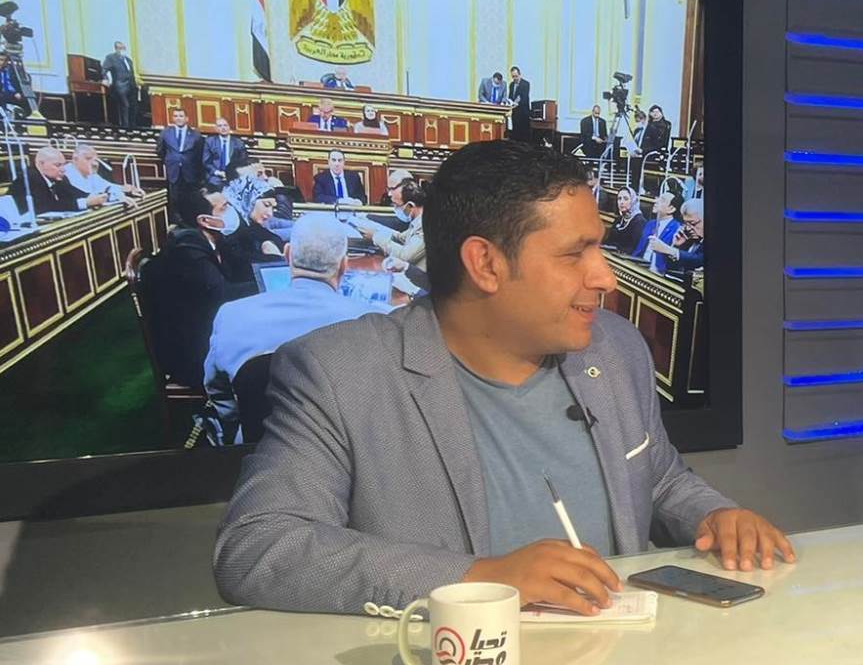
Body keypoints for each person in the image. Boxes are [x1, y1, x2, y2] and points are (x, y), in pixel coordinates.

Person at [214, 139, 792, 613]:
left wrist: (714, 515)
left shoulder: (617, 349)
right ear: (485, 263)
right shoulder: (340, 372)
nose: (605, 278)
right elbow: (260, 546)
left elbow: (658, 478)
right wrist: (481, 579)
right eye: (576, 254)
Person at [205, 214, 367, 443]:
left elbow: (217, 390)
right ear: (344, 265)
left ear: (287, 254)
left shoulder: (231, 315)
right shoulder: (377, 322)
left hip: (256, 452)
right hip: (345, 454)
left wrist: (236, 429)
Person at [136, 213, 233, 389]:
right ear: (204, 220)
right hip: (194, 361)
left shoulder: (199, 243)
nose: (230, 212)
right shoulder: (189, 253)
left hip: (200, 337)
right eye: (223, 208)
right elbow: (219, 296)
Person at [219, 190, 288, 281]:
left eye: (272, 208)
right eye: (266, 205)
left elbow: (271, 237)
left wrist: (268, 243)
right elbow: (239, 262)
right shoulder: (231, 227)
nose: (270, 213)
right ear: (249, 199)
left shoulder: (250, 223)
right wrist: (276, 257)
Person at [157, 106, 206, 223]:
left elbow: (200, 155)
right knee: (174, 199)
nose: (178, 118)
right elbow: (160, 151)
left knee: (190, 199)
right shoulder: (165, 133)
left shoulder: (196, 135)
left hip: (190, 172)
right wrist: (171, 161)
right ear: (173, 118)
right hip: (173, 171)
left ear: (186, 119)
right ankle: (177, 222)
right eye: (176, 116)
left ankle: (191, 222)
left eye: (181, 116)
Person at [12, 146, 94, 215]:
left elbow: (75, 194)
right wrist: (85, 202)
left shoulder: (57, 178)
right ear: (41, 164)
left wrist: (94, 197)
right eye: (58, 165)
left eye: (63, 165)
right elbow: (46, 207)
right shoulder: (28, 179)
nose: (63, 169)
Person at [364, 183, 425, 275]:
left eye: (396, 205)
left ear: (410, 206)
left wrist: (376, 237)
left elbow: (405, 256)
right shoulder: (418, 220)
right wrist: (377, 230)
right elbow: (401, 237)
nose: (395, 209)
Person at [63, 142, 139, 203]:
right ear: (75, 159)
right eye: (88, 159)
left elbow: (108, 187)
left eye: (96, 160)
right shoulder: (67, 173)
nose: (94, 163)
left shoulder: (91, 175)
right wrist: (117, 196)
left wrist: (126, 189)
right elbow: (92, 196)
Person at [638, 189, 681, 274]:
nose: (656, 201)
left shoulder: (677, 228)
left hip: (659, 272)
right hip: (639, 265)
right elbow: (639, 248)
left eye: (662, 200)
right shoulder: (650, 223)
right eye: (658, 198)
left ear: (671, 209)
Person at [657, 197, 702, 274]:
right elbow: (670, 269)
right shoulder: (688, 240)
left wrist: (670, 250)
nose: (688, 228)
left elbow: (699, 259)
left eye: (693, 223)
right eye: (686, 224)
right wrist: (676, 246)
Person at [102, 41, 138, 128]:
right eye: (120, 48)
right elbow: (104, 69)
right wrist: (105, 78)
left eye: (123, 48)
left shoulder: (128, 60)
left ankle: (132, 126)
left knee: (133, 106)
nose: (122, 50)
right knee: (125, 105)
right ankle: (125, 126)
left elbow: (132, 73)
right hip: (120, 85)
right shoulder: (111, 58)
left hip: (131, 85)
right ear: (116, 49)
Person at [603, 187, 646, 258]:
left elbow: (634, 249)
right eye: (619, 199)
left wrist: (616, 250)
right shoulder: (619, 219)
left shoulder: (639, 222)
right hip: (612, 256)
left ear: (633, 201)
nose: (621, 202)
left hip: (626, 259)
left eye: (625, 199)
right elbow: (609, 240)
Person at [203, 117, 247, 184]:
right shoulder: (209, 142)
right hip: (215, 176)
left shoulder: (238, 143)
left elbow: (243, 161)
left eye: (225, 125)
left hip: (234, 175)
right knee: (213, 183)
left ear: (229, 127)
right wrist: (217, 172)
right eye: (220, 126)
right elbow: (206, 162)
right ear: (216, 129)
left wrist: (233, 173)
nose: (223, 128)